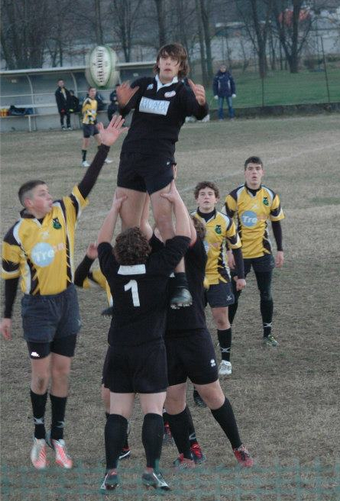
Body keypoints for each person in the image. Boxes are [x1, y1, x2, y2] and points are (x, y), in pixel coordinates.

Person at [0, 116, 126, 471]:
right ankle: (38, 436)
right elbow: (10, 276)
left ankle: (59, 438)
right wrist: (6, 314)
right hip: (37, 308)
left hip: (67, 302)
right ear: (29, 202)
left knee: (63, 374)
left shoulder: (63, 213)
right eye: (43, 193)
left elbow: (86, 185)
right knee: (40, 375)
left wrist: (104, 146)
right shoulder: (14, 235)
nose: (49, 195)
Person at [97, 182, 191, 493]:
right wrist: (176, 200)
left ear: (119, 252)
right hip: (150, 351)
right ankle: (151, 470)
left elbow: (101, 242)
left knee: (118, 414)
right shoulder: (158, 268)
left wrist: (114, 209)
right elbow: (185, 236)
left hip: (119, 350)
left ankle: (111, 472)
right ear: (147, 250)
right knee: (153, 411)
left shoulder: (112, 268)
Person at [145, 213, 253, 469]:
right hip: (165, 340)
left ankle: (238, 447)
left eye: (172, 229)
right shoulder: (156, 258)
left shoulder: (194, 257)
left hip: (194, 337)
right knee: (173, 400)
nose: (165, 233)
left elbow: (185, 232)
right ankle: (188, 453)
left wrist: (175, 201)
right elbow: (143, 226)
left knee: (212, 394)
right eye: (163, 230)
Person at [114, 43, 208, 307]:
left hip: (159, 161)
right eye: (164, 58)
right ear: (158, 62)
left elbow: (197, 111)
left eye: (173, 59)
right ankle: (130, 287)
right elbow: (123, 110)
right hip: (131, 158)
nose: (168, 62)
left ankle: (180, 284)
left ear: (180, 65)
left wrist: (202, 104)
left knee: (164, 220)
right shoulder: (144, 84)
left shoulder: (181, 90)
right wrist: (122, 104)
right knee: (130, 226)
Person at [73, 244, 131, 460]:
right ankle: (122, 443)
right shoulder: (111, 275)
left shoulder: (151, 271)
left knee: (160, 394)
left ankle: (170, 427)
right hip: (119, 342)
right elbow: (78, 279)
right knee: (108, 393)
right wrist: (89, 258)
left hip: (150, 341)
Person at [225, 157, 284, 347]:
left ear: (263, 172)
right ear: (245, 172)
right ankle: (226, 332)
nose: (254, 172)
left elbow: (276, 223)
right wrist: (229, 251)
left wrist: (280, 249)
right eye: (250, 169)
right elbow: (225, 224)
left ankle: (268, 333)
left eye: (257, 168)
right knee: (234, 294)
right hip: (239, 254)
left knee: (266, 293)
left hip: (263, 253)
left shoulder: (270, 195)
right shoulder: (234, 196)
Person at [193, 181, 246, 376]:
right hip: (195, 281)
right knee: (196, 322)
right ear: (196, 198)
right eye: (202, 194)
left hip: (219, 279)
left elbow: (237, 248)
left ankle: (225, 361)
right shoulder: (188, 220)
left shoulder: (225, 221)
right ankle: (201, 358)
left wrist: (240, 276)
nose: (206, 197)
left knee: (221, 319)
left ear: (216, 199)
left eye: (210, 194)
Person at [81, 87, 113, 168]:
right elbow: (85, 112)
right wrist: (93, 121)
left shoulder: (95, 101)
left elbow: (93, 113)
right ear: (88, 92)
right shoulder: (87, 101)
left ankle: (103, 158)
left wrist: (95, 122)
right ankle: (84, 161)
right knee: (86, 143)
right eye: (92, 91)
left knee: (100, 141)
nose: (93, 92)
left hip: (92, 124)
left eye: (94, 90)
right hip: (87, 124)